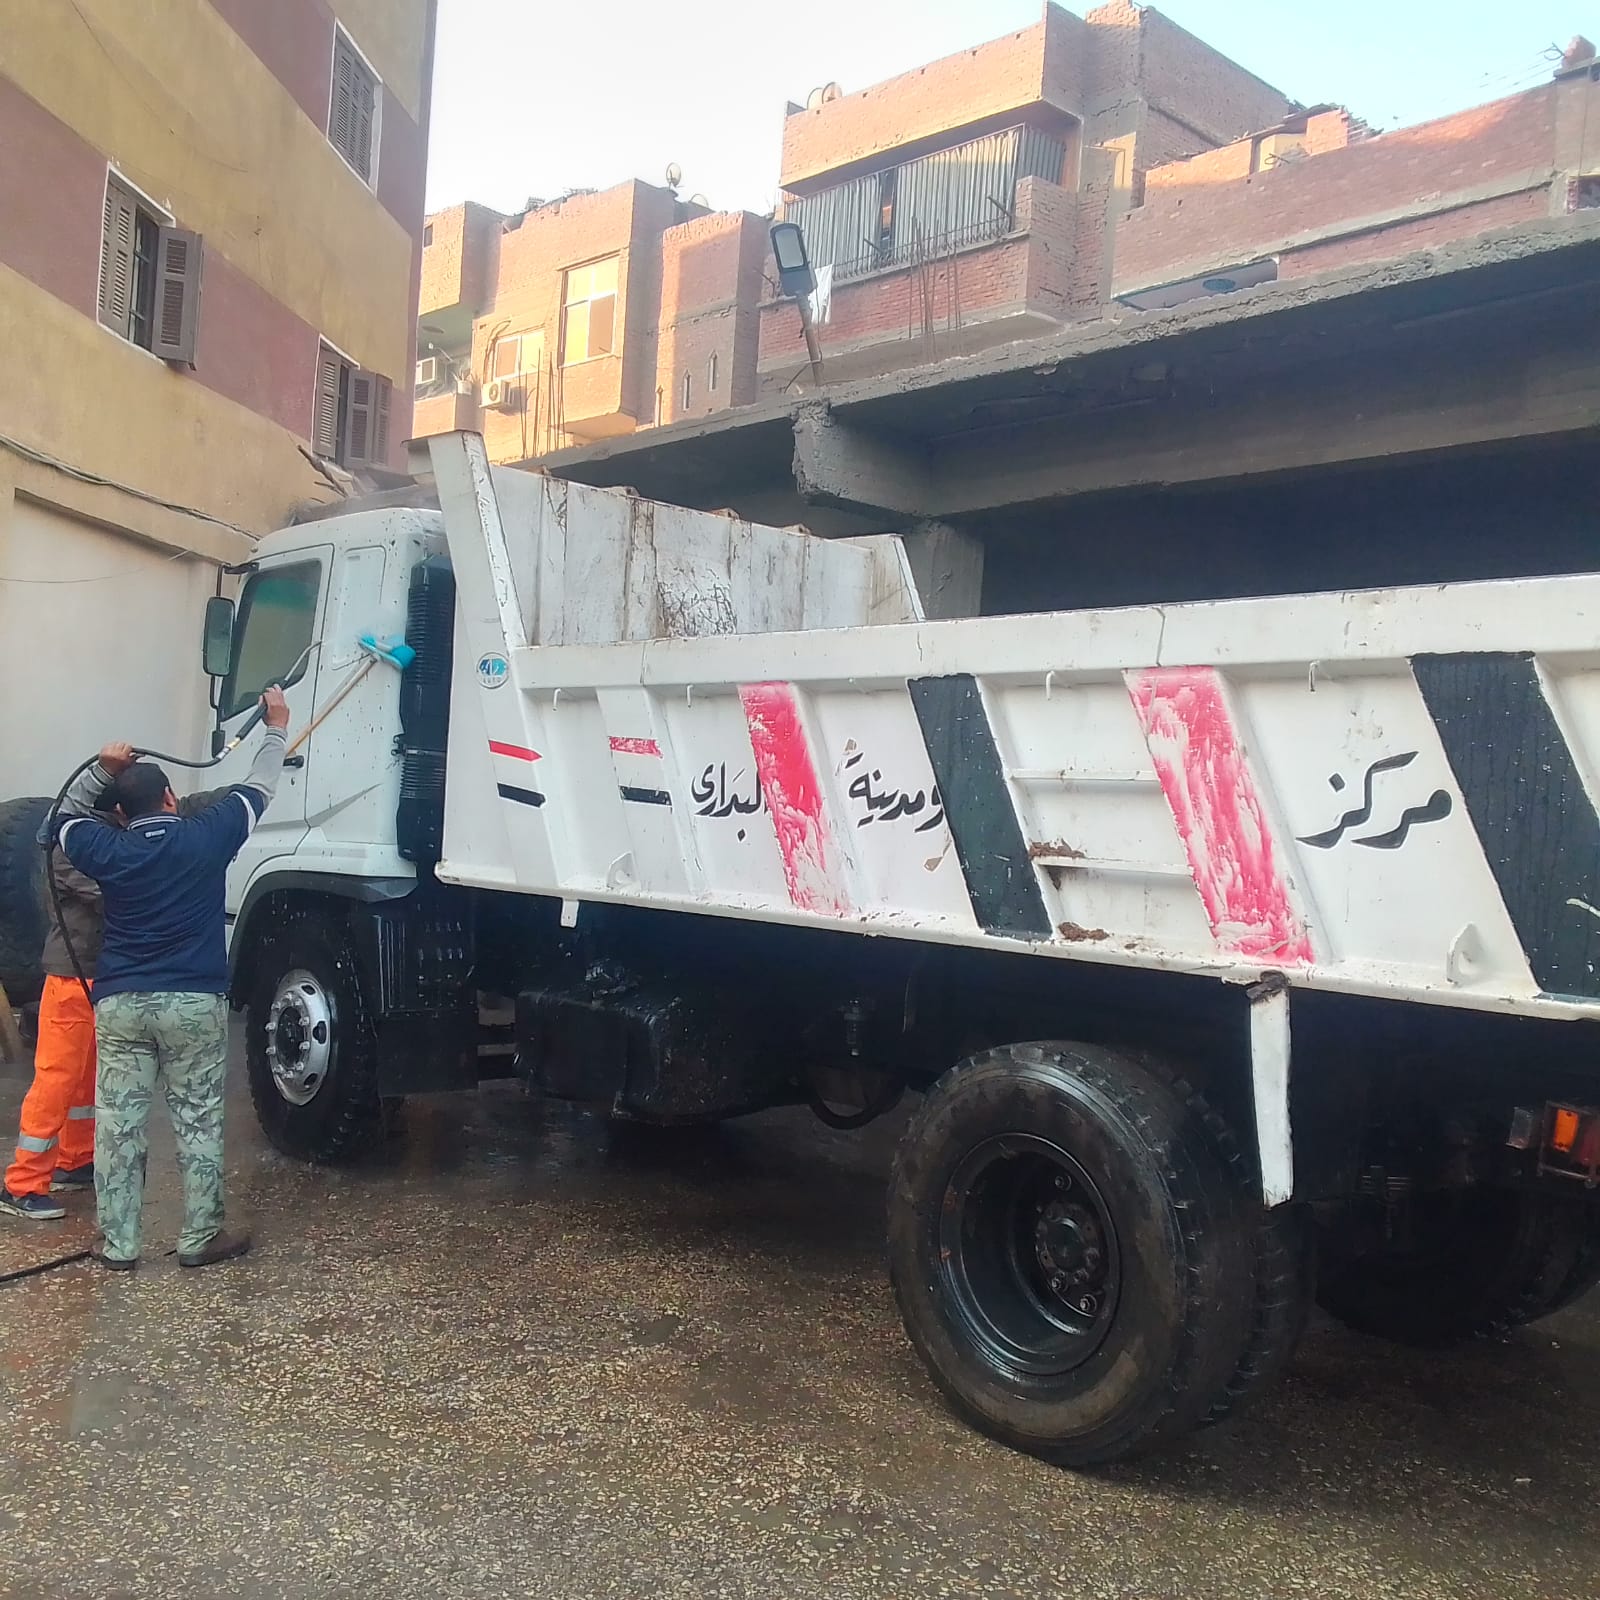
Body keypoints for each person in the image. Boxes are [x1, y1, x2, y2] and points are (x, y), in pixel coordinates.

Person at [51, 689, 290, 1269]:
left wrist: (101, 770)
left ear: (120, 814)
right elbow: (260, 787)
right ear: (170, 799)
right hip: (193, 1002)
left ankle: (118, 1245)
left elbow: (60, 821)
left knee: (119, 1125)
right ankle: (200, 1236)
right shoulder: (208, 834)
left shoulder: (106, 847)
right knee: (198, 1119)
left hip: (121, 1003)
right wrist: (277, 726)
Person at [2, 782, 243, 1222]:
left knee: (88, 1080)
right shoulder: (73, 844)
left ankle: (75, 1160)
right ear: (118, 807)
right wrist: (168, 881)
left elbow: (189, 805)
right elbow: (119, 892)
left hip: (107, 978)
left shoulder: (117, 836)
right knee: (57, 1078)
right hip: (71, 977)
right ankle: (22, 1183)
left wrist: (249, 783)